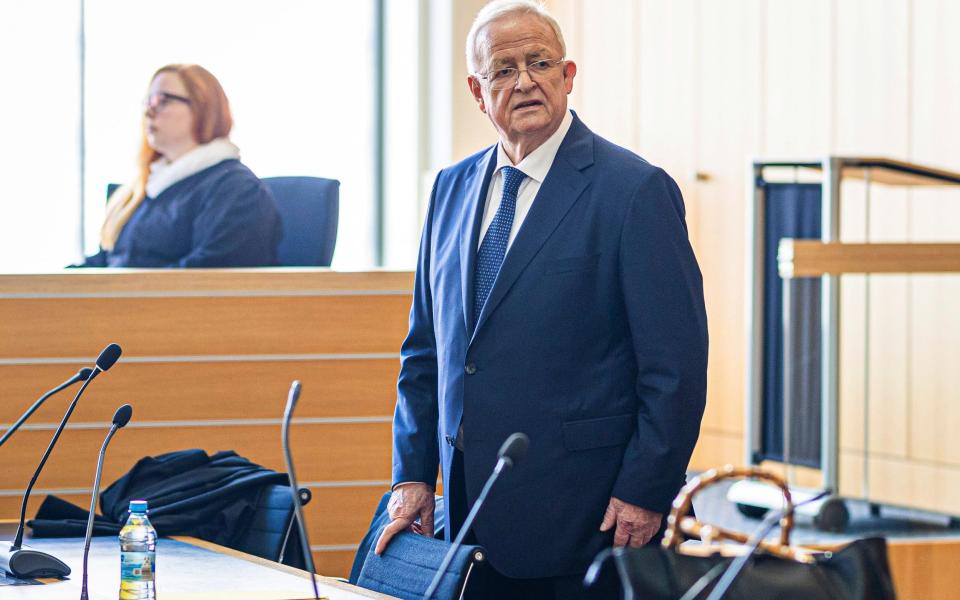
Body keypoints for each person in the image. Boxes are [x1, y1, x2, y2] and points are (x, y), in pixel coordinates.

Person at [376, 1, 709, 597]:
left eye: (539, 62)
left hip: (589, 516)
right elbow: (425, 351)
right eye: (503, 69)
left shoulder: (633, 191)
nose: (524, 80)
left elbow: (675, 367)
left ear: (568, 76)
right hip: (468, 515)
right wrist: (412, 475)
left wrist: (645, 489)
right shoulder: (449, 190)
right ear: (478, 92)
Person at [79, 64, 281, 268]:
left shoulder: (237, 190)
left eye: (162, 100)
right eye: (147, 102)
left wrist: (119, 291)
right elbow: (105, 262)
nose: (149, 112)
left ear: (203, 107)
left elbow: (208, 276)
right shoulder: (143, 190)